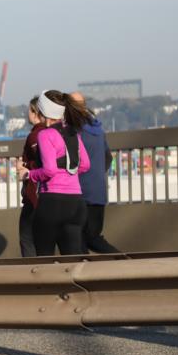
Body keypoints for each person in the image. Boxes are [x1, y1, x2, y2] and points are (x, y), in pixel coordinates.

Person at [16, 90, 91, 256]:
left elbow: (49, 171)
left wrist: (29, 174)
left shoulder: (45, 134)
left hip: (52, 202)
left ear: (42, 112)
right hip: (76, 203)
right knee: (71, 261)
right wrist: (67, 168)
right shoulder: (73, 133)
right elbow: (85, 165)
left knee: (44, 260)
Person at [70, 92, 120, 254]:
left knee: (81, 238)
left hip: (80, 191)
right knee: (90, 237)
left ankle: (120, 260)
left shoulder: (73, 130)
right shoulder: (97, 128)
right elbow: (108, 157)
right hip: (98, 190)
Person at [18, 97, 43, 257]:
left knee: (27, 238)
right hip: (50, 196)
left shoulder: (35, 135)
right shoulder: (58, 132)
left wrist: (25, 167)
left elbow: (43, 163)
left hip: (34, 196)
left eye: (29, 110)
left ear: (35, 113)